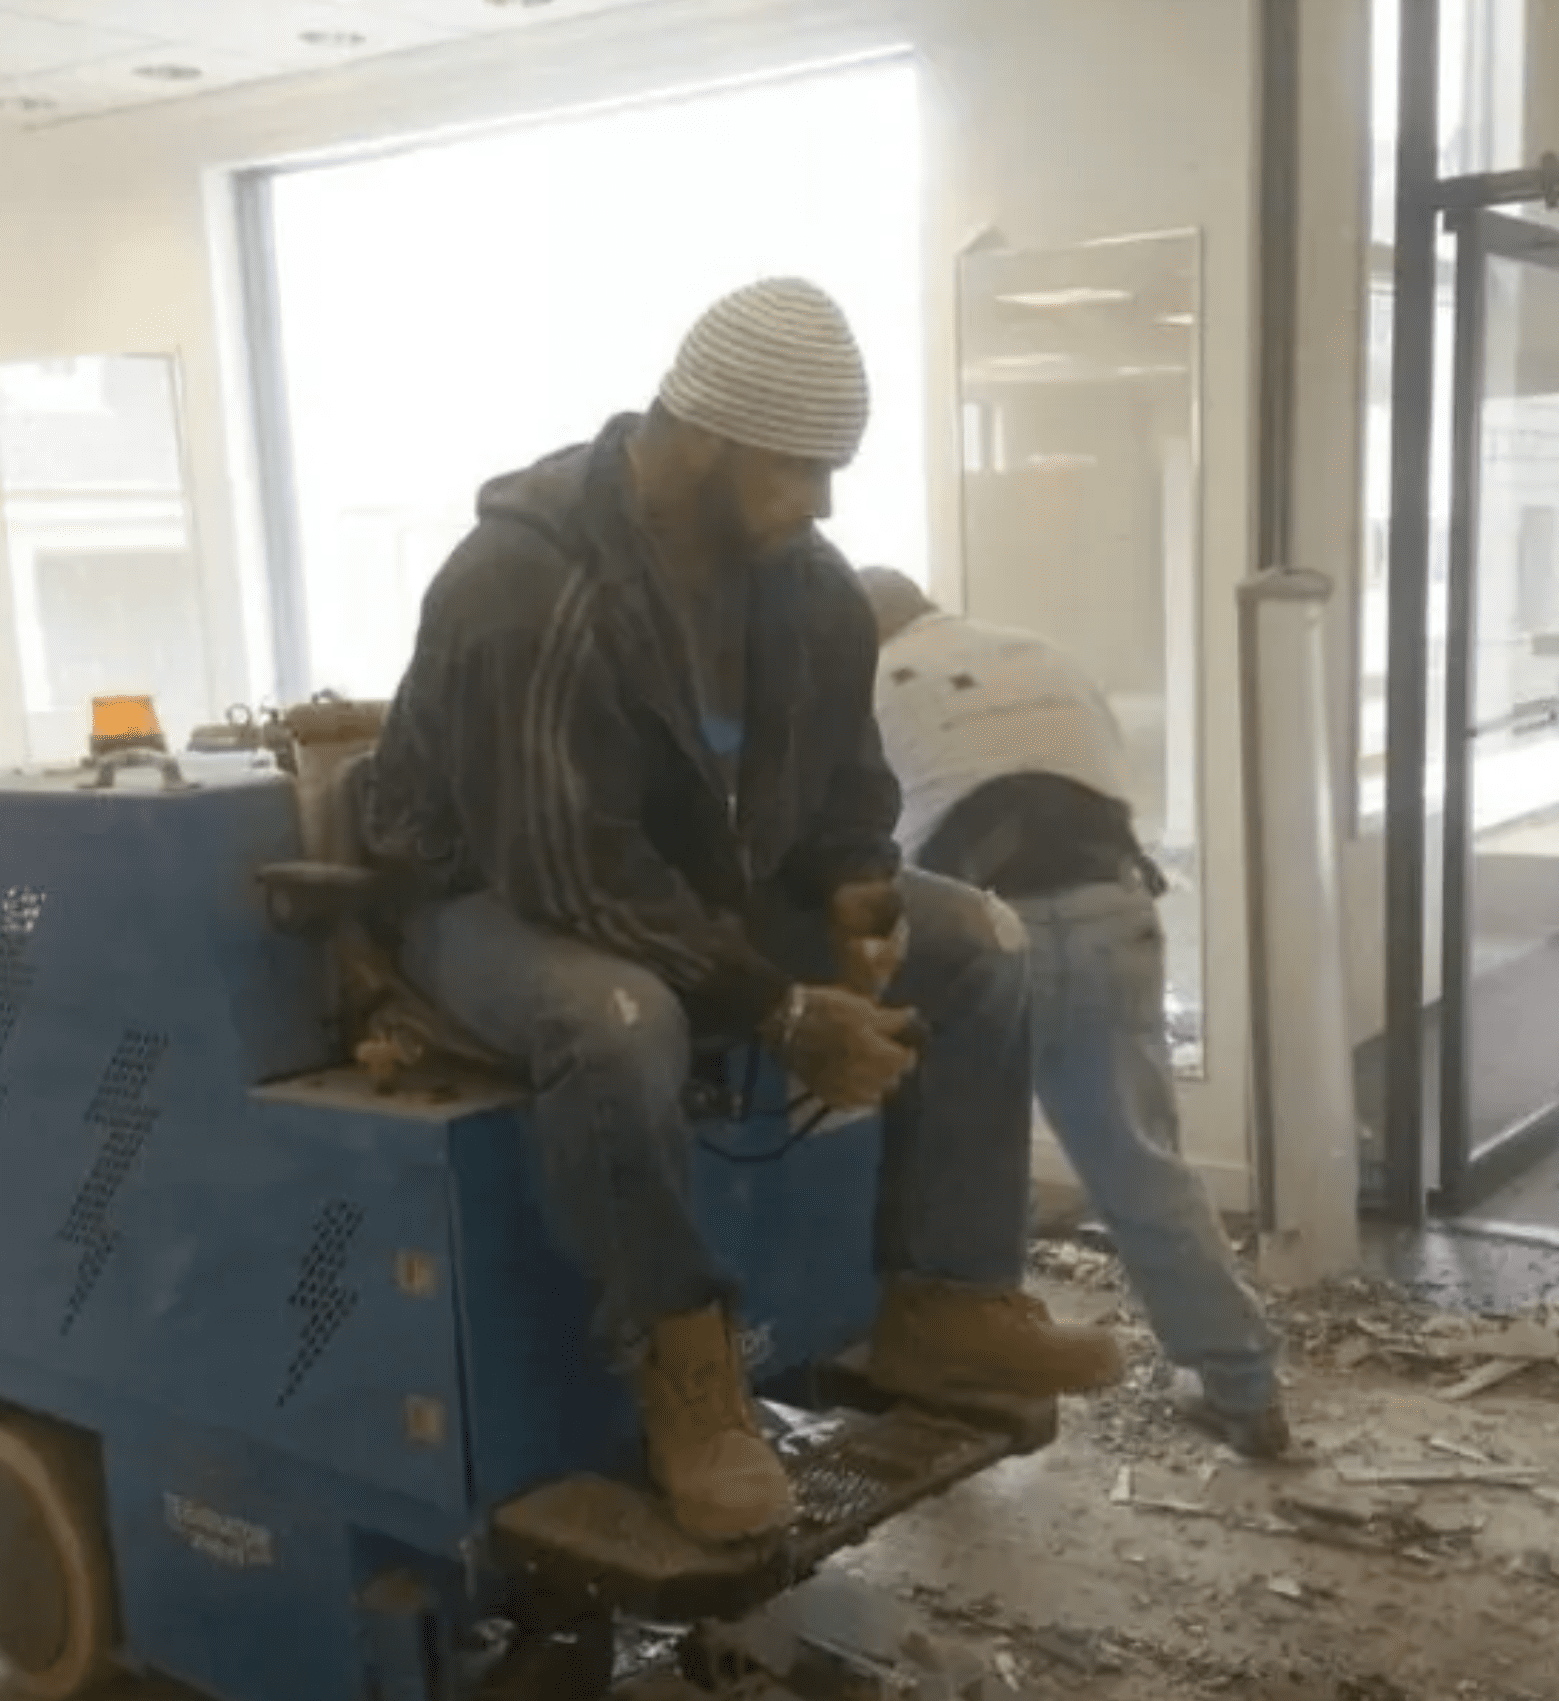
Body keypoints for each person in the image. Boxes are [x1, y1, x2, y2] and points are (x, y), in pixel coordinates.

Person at [357, 279, 1121, 1547]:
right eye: (798, 469)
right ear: (702, 440)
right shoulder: (524, 584)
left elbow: (842, 788)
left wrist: (856, 892)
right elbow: (569, 870)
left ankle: (943, 1297)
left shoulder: (804, 589)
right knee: (616, 1016)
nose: (821, 504)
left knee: (977, 942)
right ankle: (687, 1373)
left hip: (684, 885)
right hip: (484, 892)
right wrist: (777, 1006)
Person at [855, 567, 1292, 1459]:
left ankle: (955, 1379)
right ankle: (1244, 1388)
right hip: (1110, 911)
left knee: (948, 1179)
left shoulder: (866, 684)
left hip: (980, 938)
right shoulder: (1040, 654)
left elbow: (862, 848)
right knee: (1143, 1167)